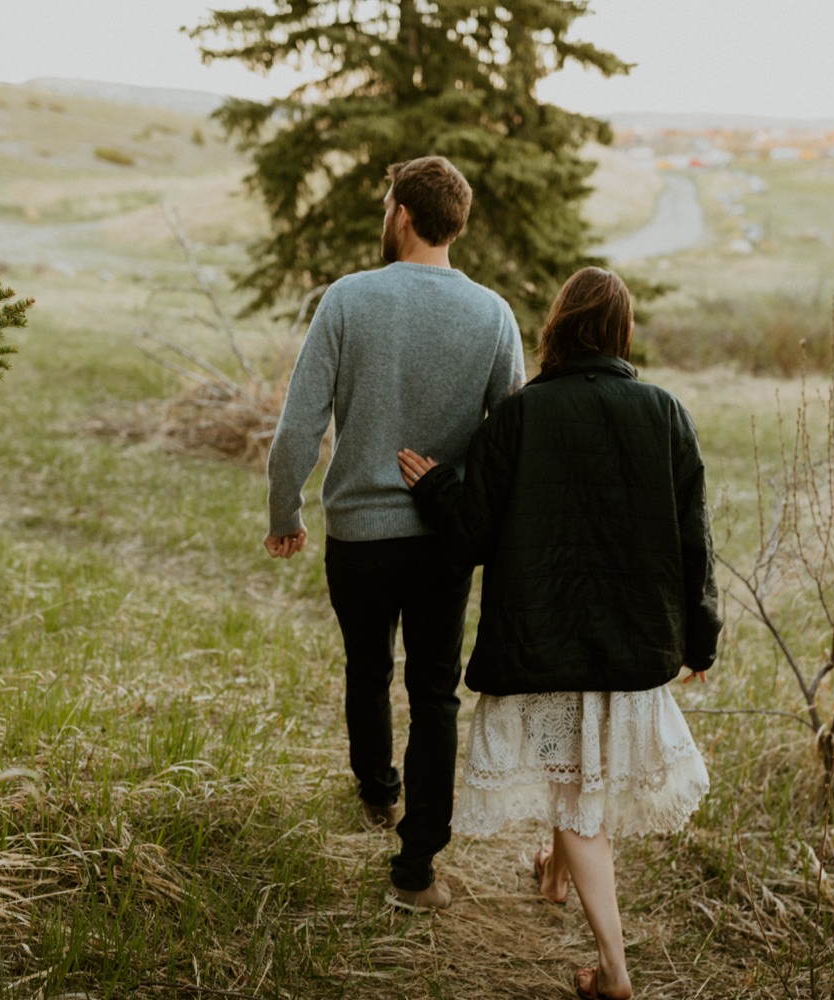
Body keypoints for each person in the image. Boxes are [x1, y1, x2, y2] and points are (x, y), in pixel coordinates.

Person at [397, 267, 719, 1000]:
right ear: (622, 333)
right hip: (631, 647)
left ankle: (613, 970)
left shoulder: (519, 415)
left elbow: (470, 536)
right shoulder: (664, 411)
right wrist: (700, 640)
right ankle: (552, 875)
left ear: (558, 328)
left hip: (544, 645)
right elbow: (695, 540)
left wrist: (437, 486)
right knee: (578, 783)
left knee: (575, 792)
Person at [264, 155, 526, 911]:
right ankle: (416, 872)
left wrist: (287, 513)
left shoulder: (348, 299)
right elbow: (507, 440)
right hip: (445, 536)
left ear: (403, 214)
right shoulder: (494, 316)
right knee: (435, 692)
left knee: (367, 667)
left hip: (359, 536)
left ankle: (378, 789)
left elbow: (296, 431)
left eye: (388, 204)